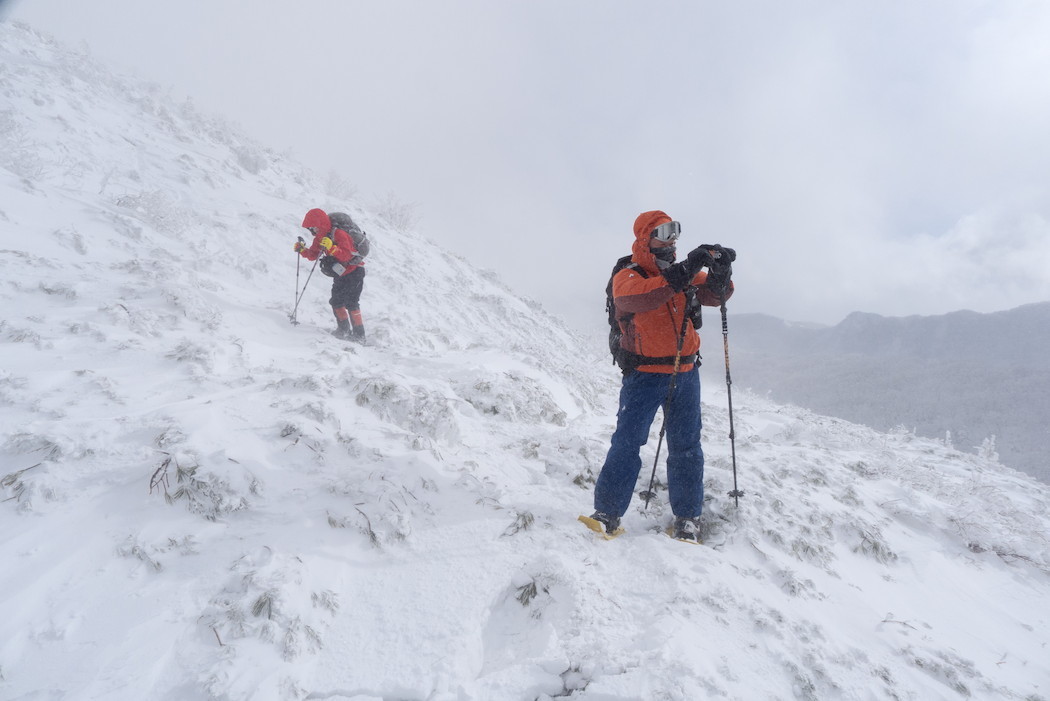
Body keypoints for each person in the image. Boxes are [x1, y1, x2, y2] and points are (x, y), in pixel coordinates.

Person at [589, 210, 735, 542]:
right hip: (643, 376)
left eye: (674, 233)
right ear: (644, 239)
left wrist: (720, 272)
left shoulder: (680, 273)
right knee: (627, 444)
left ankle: (688, 516)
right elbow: (646, 296)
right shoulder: (627, 276)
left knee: (686, 446)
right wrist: (689, 267)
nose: (671, 240)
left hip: (685, 373)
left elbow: (716, 295)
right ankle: (607, 513)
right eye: (663, 233)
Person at [294, 208, 368, 343]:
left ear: (321, 224)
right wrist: (302, 250)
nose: (313, 231)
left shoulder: (339, 234)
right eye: (311, 229)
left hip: (355, 271)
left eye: (314, 227)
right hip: (341, 273)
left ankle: (359, 335)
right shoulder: (320, 237)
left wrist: (331, 248)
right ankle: (343, 330)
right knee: (336, 301)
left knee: (351, 303)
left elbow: (347, 254)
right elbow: (313, 255)